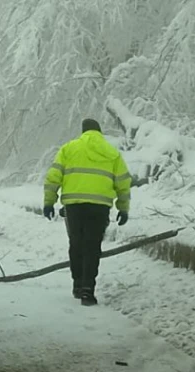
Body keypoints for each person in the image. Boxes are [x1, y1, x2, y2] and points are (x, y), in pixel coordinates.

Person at [42, 118, 131, 306]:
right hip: (100, 205)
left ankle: (77, 284)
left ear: (83, 131)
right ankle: (88, 291)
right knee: (92, 246)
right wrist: (123, 208)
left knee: (76, 243)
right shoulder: (112, 153)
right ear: (100, 132)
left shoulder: (69, 148)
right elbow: (123, 182)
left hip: (74, 206)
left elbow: (53, 176)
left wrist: (49, 202)